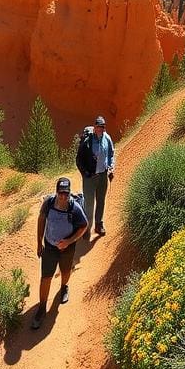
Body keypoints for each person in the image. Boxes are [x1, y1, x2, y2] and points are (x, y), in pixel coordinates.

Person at [31, 177, 88, 330]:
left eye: (66, 193)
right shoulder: (49, 203)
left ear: (69, 193)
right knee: (46, 277)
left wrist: (69, 241)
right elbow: (41, 219)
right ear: (56, 192)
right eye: (60, 193)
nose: (63, 196)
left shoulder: (74, 207)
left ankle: (64, 287)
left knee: (65, 270)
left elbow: (84, 226)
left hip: (67, 248)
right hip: (50, 246)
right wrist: (39, 242)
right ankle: (42, 308)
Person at [75, 115, 114, 237]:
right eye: (98, 126)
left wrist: (111, 167)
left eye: (102, 127)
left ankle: (98, 224)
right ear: (94, 127)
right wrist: (85, 173)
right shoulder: (87, 141)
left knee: (101, 201)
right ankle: (86, 229)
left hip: (102, 176)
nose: (100, 129)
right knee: (89, 204)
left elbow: (111, 154)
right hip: (90, 177)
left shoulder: (107, 138)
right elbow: (79, 160)